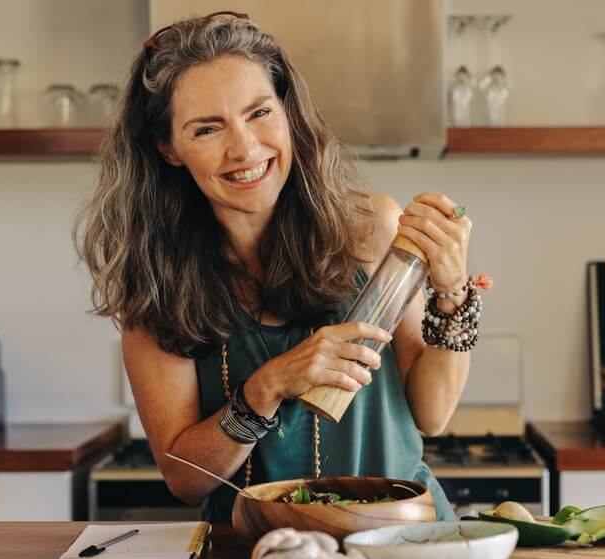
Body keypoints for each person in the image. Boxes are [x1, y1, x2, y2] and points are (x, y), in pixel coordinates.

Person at [75, 12, 486, 523]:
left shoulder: (372, 227)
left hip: (402, 542)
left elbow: (433, 413)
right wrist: (267, 387)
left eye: (259, 113)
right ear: (169, 149)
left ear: (288, 112)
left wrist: (452, 293)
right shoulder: (156, 285)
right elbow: (184, 479)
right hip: (259, 557)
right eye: (206, 128)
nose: (245, 148)